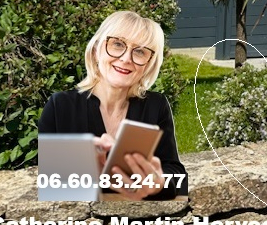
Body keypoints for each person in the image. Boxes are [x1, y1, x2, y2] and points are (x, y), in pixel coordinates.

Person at [38, 11, 187, 200]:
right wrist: (82, 171)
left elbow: (177, 176)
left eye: (140, 51)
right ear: (96, 51)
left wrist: (159, 183)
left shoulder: (155, 106)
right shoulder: (60, 106)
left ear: (149, 64)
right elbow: (46, 185)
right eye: (117, 44)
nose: (126, 59)